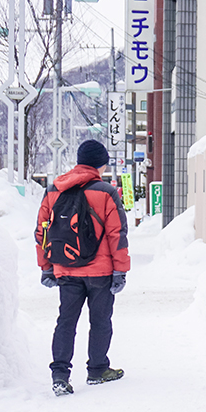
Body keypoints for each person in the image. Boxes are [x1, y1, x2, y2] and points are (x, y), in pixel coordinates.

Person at [35, 139, 130, 396]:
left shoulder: (54, 190)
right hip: (100, 271)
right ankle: (98, 369)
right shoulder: (106, 192)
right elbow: (117, 234)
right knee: (100, 321)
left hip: (65, 268)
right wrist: (120, 270)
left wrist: (46, 266)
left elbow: (41, 231)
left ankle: (60, 375)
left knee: (66, 321)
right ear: (101, 162)